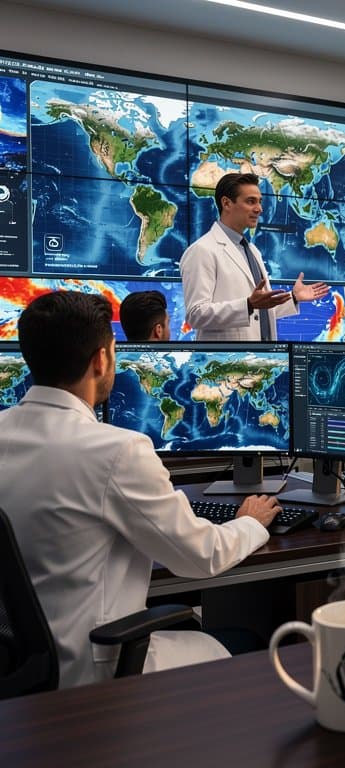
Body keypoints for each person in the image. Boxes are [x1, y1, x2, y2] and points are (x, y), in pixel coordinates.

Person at [0, 291, 282, 688]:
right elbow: (201, 556)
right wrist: (250, 522)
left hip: (23, 676)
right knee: (249, 641)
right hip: (99, 674)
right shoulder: (116, 451)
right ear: (101, 360)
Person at [181, 172, 328, 341]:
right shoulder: (202, 250)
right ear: (226, 203)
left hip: (263, 354)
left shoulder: (252, 251)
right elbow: (196, 315)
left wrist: (293, 297)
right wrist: (248, 304)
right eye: (251, 201)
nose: (259, 209)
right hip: (228, 355)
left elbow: (260, 314)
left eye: (259, 201)